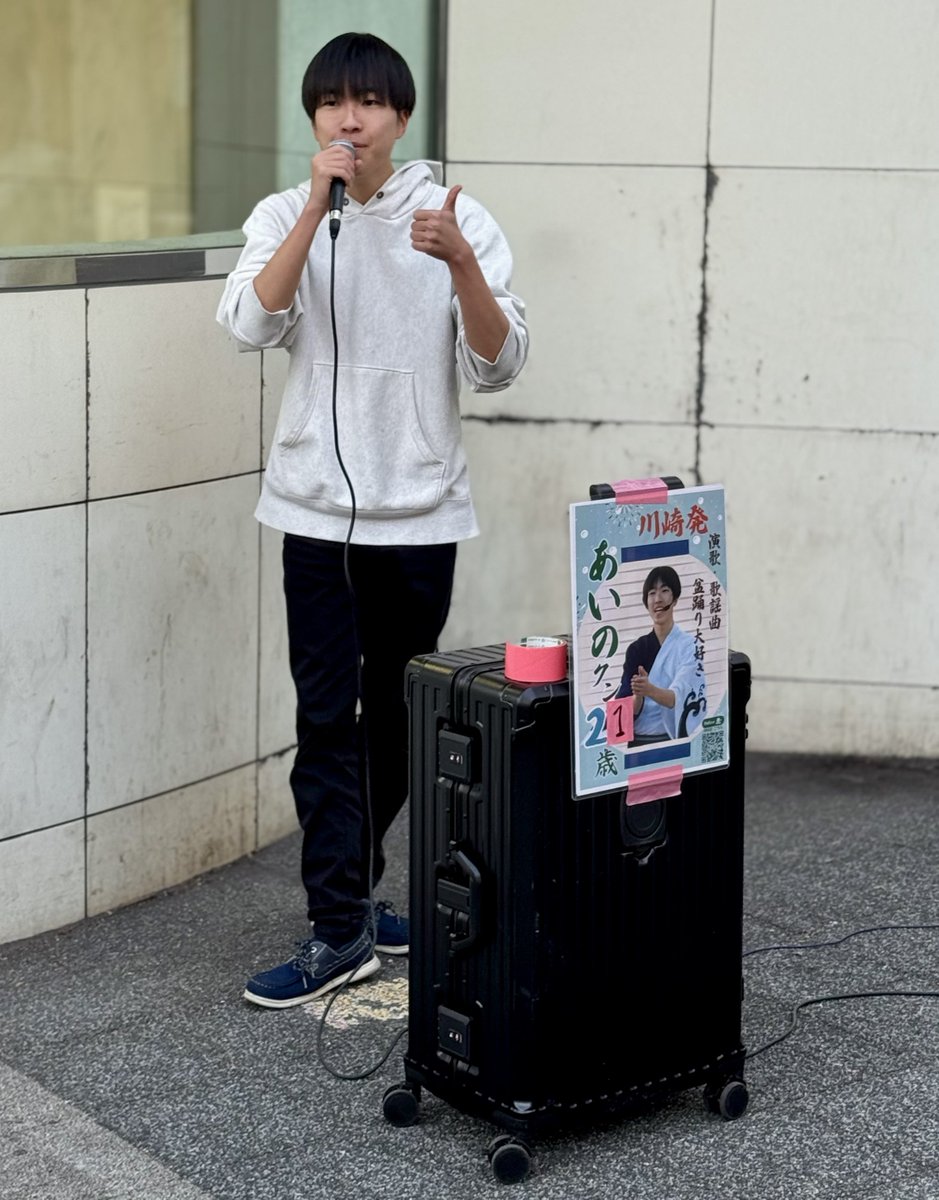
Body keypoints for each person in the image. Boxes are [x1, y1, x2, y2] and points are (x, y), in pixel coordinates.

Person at [216, 32, 527, 1008]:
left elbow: (500, 362)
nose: (348, 119)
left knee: (397, 721)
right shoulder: (286, 213)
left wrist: (461, 263)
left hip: (419, 515)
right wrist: (317, 208)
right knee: (324, 719)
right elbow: (250, 322)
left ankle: (352, 895)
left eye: (368, 102)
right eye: (330, 103)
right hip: (313, 511)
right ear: (313, 116)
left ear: (401, 115)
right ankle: (337, 925)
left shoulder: (454, 217)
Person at [614, 565, 705, 742]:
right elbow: (623, 706)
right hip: (637, 740)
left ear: (675, 598)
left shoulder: (690, 646)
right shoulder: (636, 649)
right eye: (652, 593)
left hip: (672, 739)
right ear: (646, 602)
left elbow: (678, 698)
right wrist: (638, 695)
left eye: (664, 591)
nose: (657, 599)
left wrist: (649, 689)